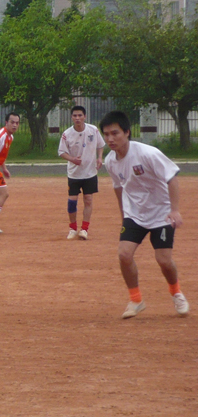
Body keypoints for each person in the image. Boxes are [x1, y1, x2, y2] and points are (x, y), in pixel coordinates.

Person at [100, 110, 188, 319]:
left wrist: (174, 210)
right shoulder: (110, 161)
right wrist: (124, 215)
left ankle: (176, 293)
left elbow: (171, 177)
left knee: (164, 260)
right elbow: (118, 187)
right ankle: (136, 300)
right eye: (106, 134)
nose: (110, 139)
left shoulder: (148, 153)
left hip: (161, 214)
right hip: (135, 214)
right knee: (124, 254)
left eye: (115, 133)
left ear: (127, 132)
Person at [58, 105, 106, 240]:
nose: (77, 118)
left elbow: (100, 145)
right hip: (74, 174)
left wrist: (100, 158)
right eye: (75, 115)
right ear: (71, 117)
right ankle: (72, 228)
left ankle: (84, 229)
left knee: (88, 199)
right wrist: (72, 159)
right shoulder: (67, 134)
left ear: (84, 116)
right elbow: (61, 152)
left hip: (90, 173)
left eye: (80, 115)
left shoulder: (93, 130)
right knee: (72, 201)